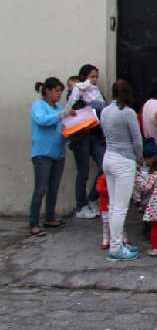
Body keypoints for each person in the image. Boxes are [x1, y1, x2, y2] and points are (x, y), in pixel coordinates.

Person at [100, 80, 143, 261]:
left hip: (108, 157)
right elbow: (137, 140)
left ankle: (116, 243)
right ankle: (116, 248)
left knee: (113, 207)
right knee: (120, 208)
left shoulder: (104, 111)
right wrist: (139, 158)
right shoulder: (128, 113)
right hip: (124, 161)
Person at [65, 64, 107, 219]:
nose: (94, 80)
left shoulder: (97, 92)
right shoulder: (75, 91)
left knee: (105, 164)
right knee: (83, 171)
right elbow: (74, 110)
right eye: (92, 76)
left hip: (95, 135)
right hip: (81, 136)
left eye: (96, 76)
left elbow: (104, 107)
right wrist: (91, 107)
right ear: (84, 77)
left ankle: (92, 198)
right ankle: (81, 206)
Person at [29, 78, 68, 237]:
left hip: (58, 153)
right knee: (41, 189)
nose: (59, 94)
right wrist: (62, 115)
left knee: (53, 187)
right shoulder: (38, 106)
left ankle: (50, 217)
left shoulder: (59, 108)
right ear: (48, 90)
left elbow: (62, 128)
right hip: (42, 153)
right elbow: (42, 121)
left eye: (61, 91)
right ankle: (34, 222)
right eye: (57, 91)